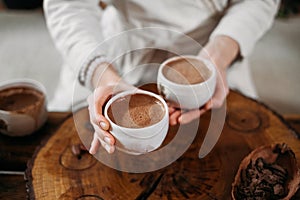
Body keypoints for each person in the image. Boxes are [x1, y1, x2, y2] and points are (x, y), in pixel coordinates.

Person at [44, 0, 280, 154]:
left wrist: (219, 55)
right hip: (118, 47)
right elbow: (68, 5)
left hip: (215, 43)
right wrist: (102, 76)